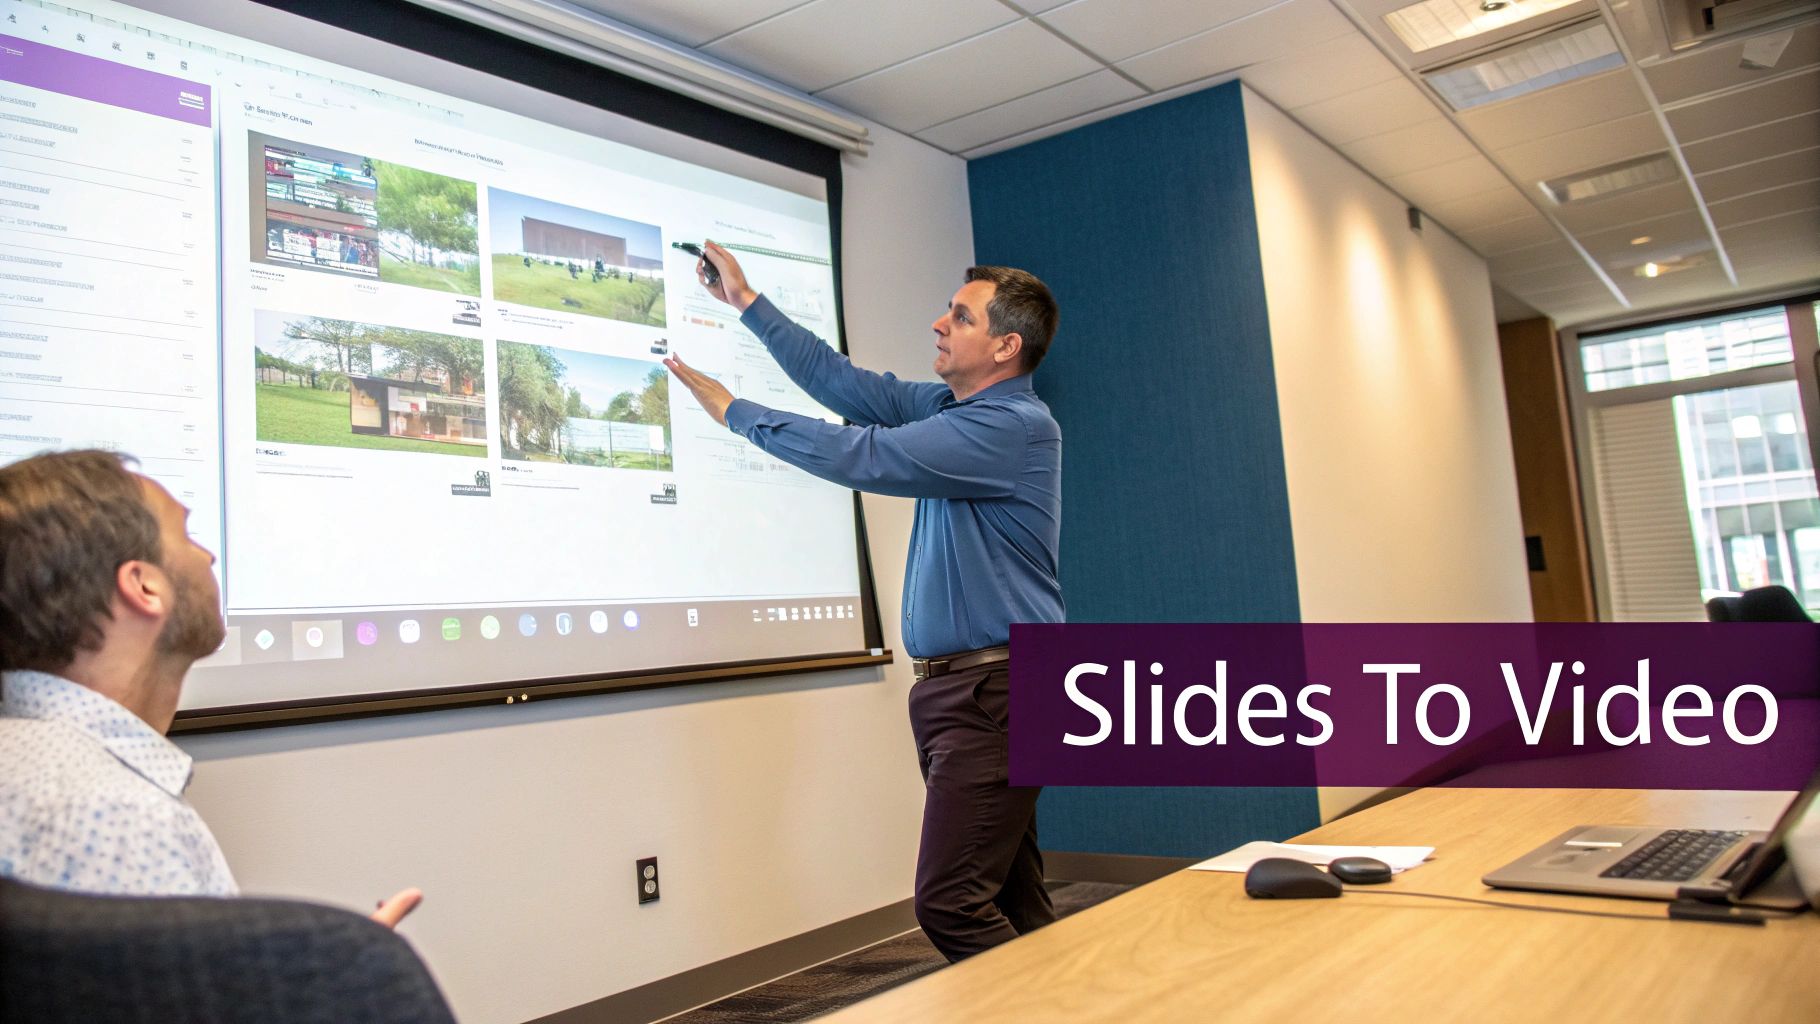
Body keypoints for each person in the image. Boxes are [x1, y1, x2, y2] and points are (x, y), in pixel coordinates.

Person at [665, 242, 1064, 962]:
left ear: (1005, 346)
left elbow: (863, 454)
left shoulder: (1011, 427)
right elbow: (844, 384)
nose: (939, 323)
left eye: (960, 316)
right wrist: (747, 303)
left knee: (951, 904)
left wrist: (736, 414)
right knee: (1008, 898)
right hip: (973, 692)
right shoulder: (952, 407)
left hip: (998, 693)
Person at [0, 450, 420, 926]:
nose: (209, 555)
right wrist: (337, 979)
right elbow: (182, 1001)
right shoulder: (125, 821)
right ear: (144, 587)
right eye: (186, 535)